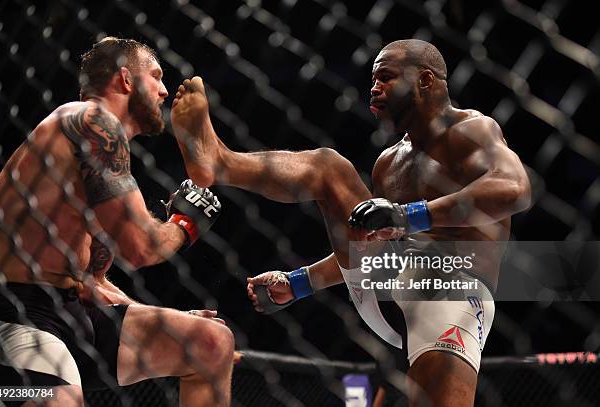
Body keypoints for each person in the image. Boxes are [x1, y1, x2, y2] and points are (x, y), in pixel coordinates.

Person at [171, 39, 531, 406]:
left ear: (425, 80)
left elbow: (514, 188)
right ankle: (219, 162)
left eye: (386, 77)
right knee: (330, 168)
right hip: (385, 281)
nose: (374, 88)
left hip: (449, 287)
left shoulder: (472, 130)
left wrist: (410, 216)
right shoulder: (388, 163)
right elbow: (375, 240)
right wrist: (299, 282)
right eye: (373, 79)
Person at [0, 37, 234, 406]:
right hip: (13, 311)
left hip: (71, 310)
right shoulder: (90, 121)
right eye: (156, 76)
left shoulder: (95, 155)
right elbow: (141, 248)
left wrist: (162, 317)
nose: (165, 91)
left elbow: (93, 283)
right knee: (58, 400)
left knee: (209, 342)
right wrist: (185, 224)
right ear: (126, 79)